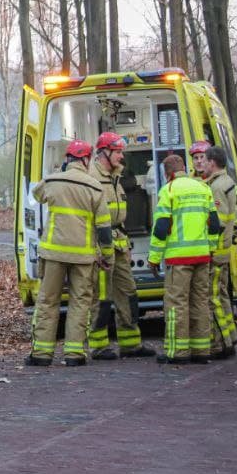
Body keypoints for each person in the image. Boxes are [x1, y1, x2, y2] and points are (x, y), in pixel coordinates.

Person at [25, 139, 112, 368]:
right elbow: (104, 228)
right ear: (86, 160)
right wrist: (107, 256)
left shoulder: (53, 181)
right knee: (80, 303)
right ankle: (74, 354)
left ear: (68, 159)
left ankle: (41, 353)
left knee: (47, 301)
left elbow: (36, 194)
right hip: (83, 257)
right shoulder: (95, 187)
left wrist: (59, 174)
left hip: (54, 253)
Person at [86, 133, 155, 360]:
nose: (121, 156)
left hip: (119, 243)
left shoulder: (116, 176)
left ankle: (131, 344)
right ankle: (98, 346)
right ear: (104, 152)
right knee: (102, 297)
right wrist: (95, 249)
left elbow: (118, 217)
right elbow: (88, 218)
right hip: (101, 245)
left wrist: (125, 243)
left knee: (128, 293)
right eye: (117, 152)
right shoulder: (91, 178)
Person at [149, 153, 221, 364]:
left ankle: (177, 352)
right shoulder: (203, 188)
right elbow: (214, 224)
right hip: (202, 256)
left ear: (167, 173)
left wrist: (154, 258)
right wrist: (211, 248)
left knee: (176, 305)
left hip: (178, 259)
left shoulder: (169, 190)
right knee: (200, 302)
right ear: (184, 168)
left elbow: (161, 228)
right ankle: (201, 350)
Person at [203, 146, 237, 359]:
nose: (202, 164)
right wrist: (236, 232)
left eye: (204, 160)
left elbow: (219, 223)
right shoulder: (228, 182)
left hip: (216, 253)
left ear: (212, 162)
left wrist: (212, 246)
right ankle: (230, 336)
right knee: (221, 295)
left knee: (212, 298)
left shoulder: (216, 188)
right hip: (224, 250)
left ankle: (222, 343)